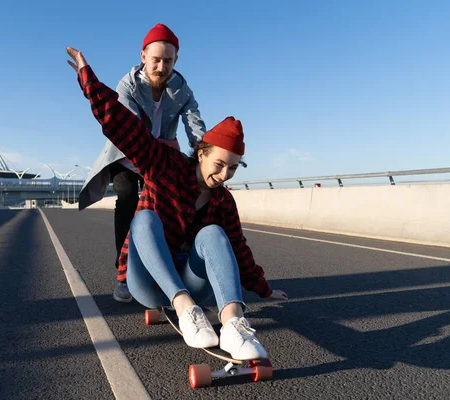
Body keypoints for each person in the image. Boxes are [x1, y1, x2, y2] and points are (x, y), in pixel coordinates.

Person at [66, 47, 288, 360]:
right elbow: (122, 125)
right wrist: (87, 78)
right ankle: (185, 310)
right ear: (202, 153)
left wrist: (264, 288)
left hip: (192, 283)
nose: (224, 175)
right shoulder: (164, 164)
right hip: (147, 282)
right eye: (219, 164)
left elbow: (238, 249)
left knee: (214, 233)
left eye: (233, 168)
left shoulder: (222, 200)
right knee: (144, 219)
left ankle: (233, 325)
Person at [76, 23, 207, 303]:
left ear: (176, 60)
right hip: (129, 154)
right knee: (126, 199)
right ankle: (123, 277)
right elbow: (131, 129)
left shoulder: (182, 89)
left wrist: (203, 154)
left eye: (168, 61)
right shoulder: (128, 84)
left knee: (161, 209)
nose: (161, 67)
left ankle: (166, 267)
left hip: (161, 160)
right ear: (143, 56)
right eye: (156, 60)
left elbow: (194, 123)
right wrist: (165, 147)